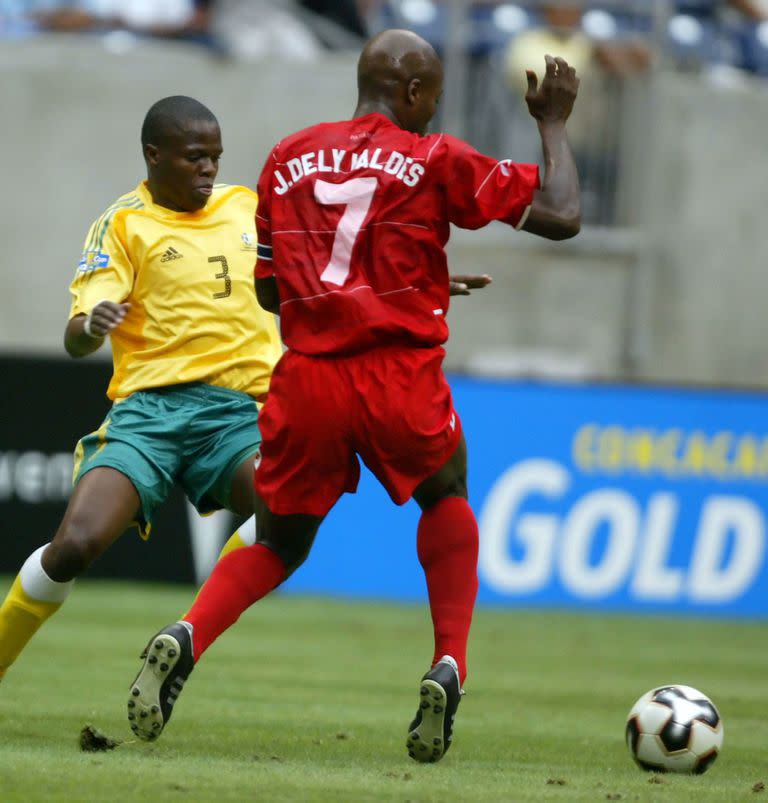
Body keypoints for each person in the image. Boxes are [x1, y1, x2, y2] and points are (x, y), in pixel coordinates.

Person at [128, 29, 580, 762]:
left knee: (277, 541)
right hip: (395, 374)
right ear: (411, 93)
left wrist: (376, 287)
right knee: (447, 492)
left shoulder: (286, 156)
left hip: (308, 376)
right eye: (430, 95)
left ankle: (188, 633)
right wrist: (553, 122)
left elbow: (272, 289)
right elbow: (560, 214)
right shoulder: (434, 157)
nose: (433, 110)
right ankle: (449, 663)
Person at [0, 95, 283, 685]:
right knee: (74, 546)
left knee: (288, 505)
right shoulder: (123, 223)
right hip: (149, 415)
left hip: (237, 413)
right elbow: (77, 335)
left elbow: (321, 273)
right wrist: (90, 325)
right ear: (155, 156)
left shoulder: (248, 209)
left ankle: (185, 639)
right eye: (195, 158)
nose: (209, 169)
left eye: (215, 158)